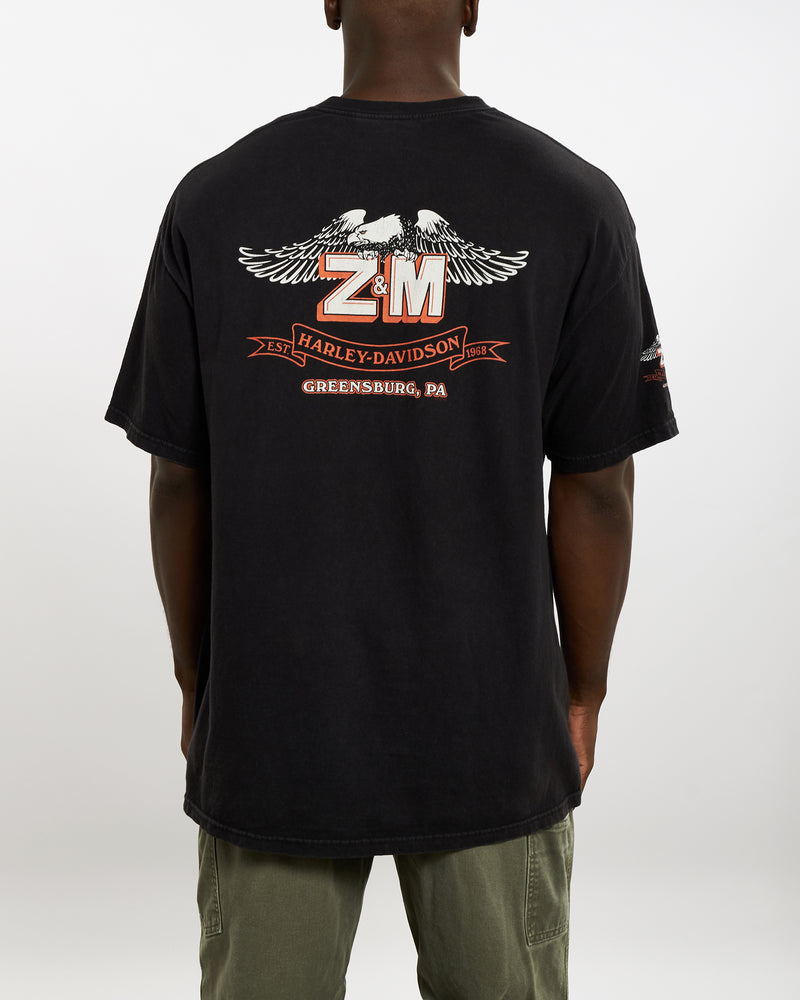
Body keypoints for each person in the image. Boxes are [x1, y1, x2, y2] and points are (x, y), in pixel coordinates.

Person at [103, 1, 678, 996]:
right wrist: (580, 693)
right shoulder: (572, 201)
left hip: (275, 717)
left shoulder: (218, 199)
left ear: (329, 4)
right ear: (473, 5)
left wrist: (200, 682)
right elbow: (597, 488)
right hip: (494, 723)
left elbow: (177, 477)